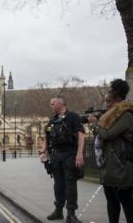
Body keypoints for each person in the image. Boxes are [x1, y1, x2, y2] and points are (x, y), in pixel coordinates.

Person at [87, 79, 133, 223]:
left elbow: (108, 134)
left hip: (122, 164)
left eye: (110, 89)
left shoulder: (125, 113)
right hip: (111, 164)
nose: (108, 92)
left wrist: (94, 125)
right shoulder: (113, 113)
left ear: (116, 93)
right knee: (111, 200)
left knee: (126, 200)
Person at [39, 95, 84, 223]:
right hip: (56, 155)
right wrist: (44, 152)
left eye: (52, 104)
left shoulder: (73, 117)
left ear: (60, 104)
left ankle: (71, 213)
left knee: (70, 184)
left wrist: (79, 153)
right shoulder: (52, 120)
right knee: (58, 185)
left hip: (70, 153)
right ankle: (58, 210)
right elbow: (47, 137)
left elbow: (81, 135)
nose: (50, 106)